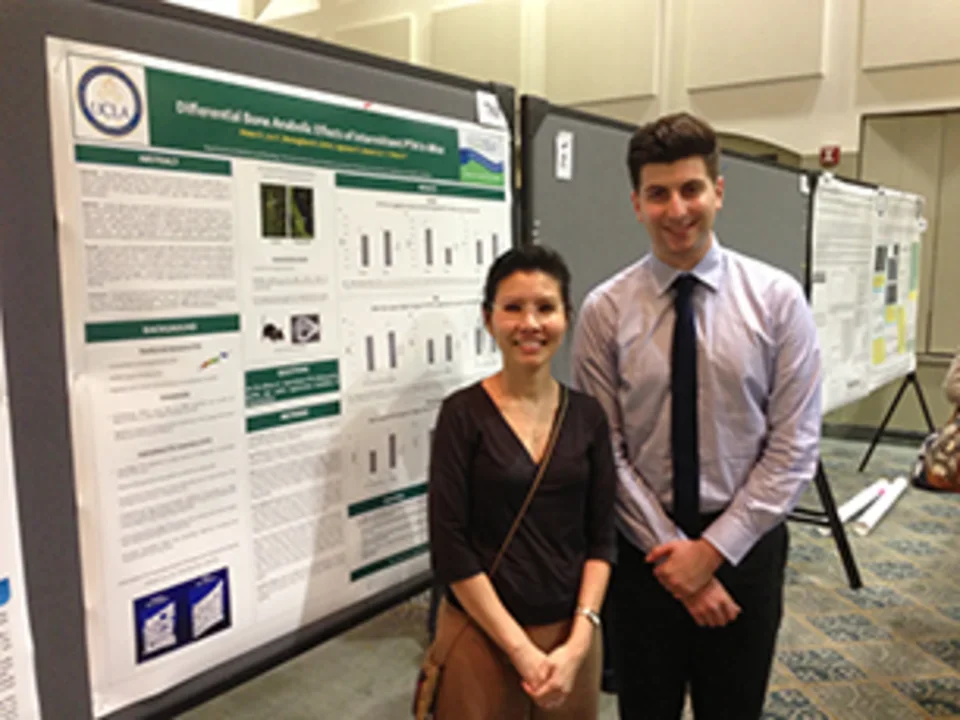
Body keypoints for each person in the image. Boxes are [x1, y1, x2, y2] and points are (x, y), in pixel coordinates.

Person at [570, 112, 822, 719]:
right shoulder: (605, 310)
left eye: (691, 189)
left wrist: (710, 554)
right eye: (658, 194)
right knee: (644, 710)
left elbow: (793, 448)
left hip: (746, 551)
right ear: (636, 203)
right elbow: (607, 449)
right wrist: (672, 555)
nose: (677, 209)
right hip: (643, 555)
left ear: (718, 192)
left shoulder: (778, 300)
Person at [427, 244, 617, 719]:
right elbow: (450, 546)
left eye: (545, 308)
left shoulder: (589, 416)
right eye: (513, 308)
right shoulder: (462, 415)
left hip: (570, 640)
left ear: (566, 317)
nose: (530, 323)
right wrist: (520, 651)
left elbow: (602, 538)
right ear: (488, 319)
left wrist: (580, 638)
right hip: (483, 636)